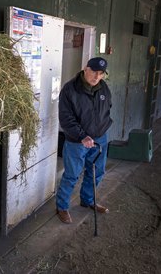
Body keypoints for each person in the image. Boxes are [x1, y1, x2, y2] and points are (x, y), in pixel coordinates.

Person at [56, 57, 113, 224]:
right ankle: (62, 207)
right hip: (77, 141)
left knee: (97, 171)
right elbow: (66, 118)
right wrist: (82, 136)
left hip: (100, 138)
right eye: (94, 71)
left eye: (101, 73)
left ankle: (87, 200)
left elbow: (107, 108)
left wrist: (100, 130)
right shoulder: (70, 89)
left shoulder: (103, 88)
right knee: (72, 175)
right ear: (85, 69)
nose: (96, 76)